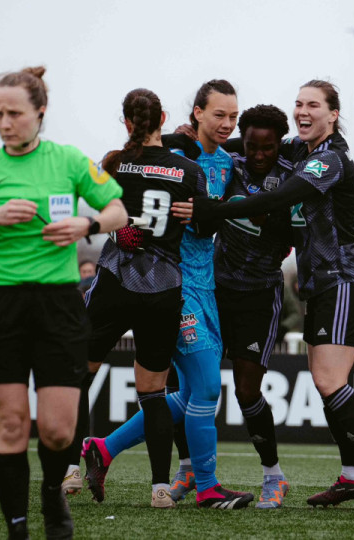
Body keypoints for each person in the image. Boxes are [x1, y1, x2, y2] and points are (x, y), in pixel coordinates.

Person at [178, 80, 354, 513]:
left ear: (333, 114)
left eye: (313, 105)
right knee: (327, 385)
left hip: (344, 277)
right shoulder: (299, 150)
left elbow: (282, 195)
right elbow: (253, 143)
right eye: (298, 103)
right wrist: (187, 135)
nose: (303, 111)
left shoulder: (331, 159)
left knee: (329, 381)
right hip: (318, 282)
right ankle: (352, 476)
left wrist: (216, 210)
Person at [0, 66, 126, 540]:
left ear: (40, 112)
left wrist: (86, 226)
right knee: (11, 426)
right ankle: (18, 528)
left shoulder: (66, 160)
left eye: (15, 113)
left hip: (58, 306)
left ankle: (51, 495)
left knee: (59, 432)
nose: (5, 122)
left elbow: (118, 211)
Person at [82, 81, 254, 511]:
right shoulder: (177, 158)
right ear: (195, 113)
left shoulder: (227, 159)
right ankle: (207, 485)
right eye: (219, 115)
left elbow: (209, 222)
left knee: (186, 392)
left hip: (205, 284)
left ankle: (105, 450)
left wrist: (209, 211)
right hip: (172, 286)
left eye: (233, 117)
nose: (227, 124)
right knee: (206, 389)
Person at [210, 104, 295, 508]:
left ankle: (273, 477)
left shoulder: (293, 178)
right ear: (242, 144)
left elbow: (289, 237)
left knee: (246, 391)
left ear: (280, 144)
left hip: (260, 294)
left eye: (269, 148)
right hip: (214, 289)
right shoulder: (228, 167)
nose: (260, 155)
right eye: (252, 147)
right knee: (194, 386)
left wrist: (266, 219)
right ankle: (189, 473)